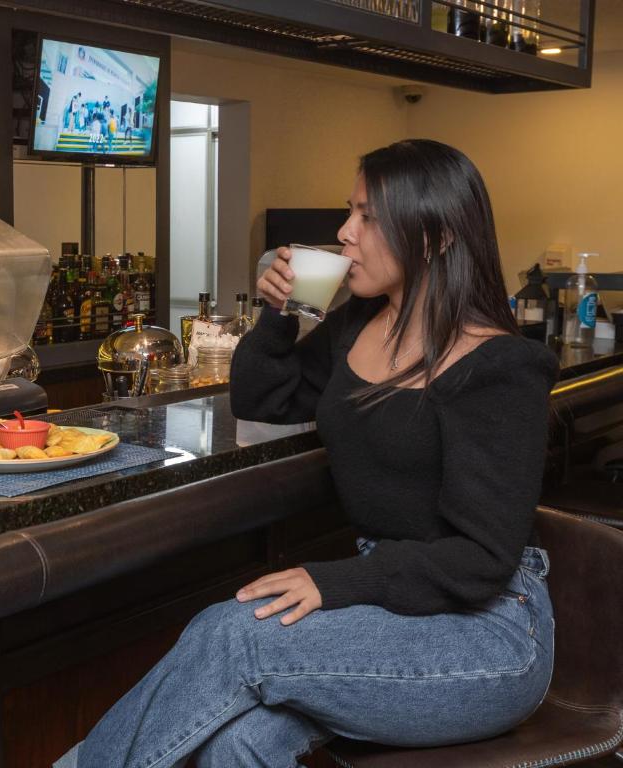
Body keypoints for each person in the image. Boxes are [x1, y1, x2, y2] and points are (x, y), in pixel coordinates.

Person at [53, 139, 559, 767]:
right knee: (236, 742)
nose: (345, 231)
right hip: (387, 605)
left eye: (368, 216)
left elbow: (481, 559)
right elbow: (265, 397)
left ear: (435, 236)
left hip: (490, 633)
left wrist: (332, 581)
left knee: (235, 634)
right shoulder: (360, 326)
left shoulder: (502, 367)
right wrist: (279, 314)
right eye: (350, 211)